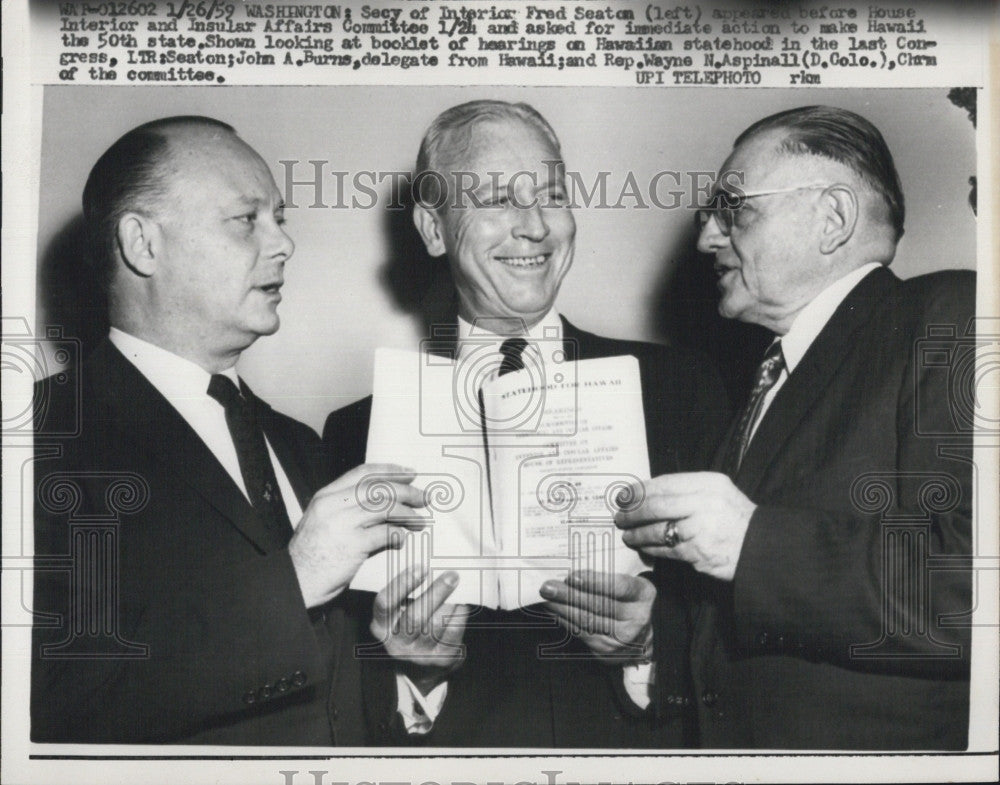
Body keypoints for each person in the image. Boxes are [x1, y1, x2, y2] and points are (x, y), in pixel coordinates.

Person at [30, 116, 454, 744]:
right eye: (246, 220)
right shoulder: (39, 440)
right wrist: (297, 578)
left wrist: (408, 671)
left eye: (280, 219)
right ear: (142, 244)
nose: (284, 244)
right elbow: (53, 706)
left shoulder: (301, 445)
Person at [323, 100, 730, 746]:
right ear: (433, 229)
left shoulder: (683, 388)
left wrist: (647, 648)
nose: (536, 225)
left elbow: (739, 632)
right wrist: (413, 673)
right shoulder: (355, 434)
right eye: (496, 198)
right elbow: (346, 686)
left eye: (551, 193)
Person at [615, 105, 974, 749]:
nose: (707, 240)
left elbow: (978, 588)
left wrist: (752, 544)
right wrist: (648, 639)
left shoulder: (951, 316)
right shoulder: (763, 383)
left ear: (832, 218)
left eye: (735, 208)